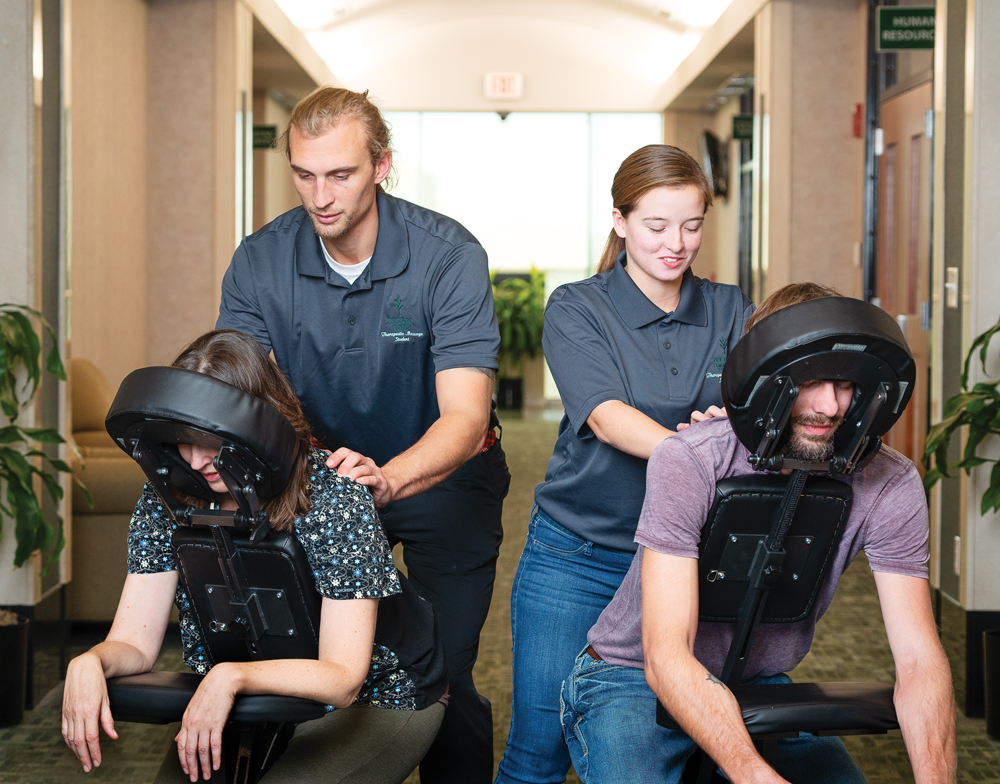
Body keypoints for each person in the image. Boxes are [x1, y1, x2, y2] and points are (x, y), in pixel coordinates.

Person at [216, 87, 509, 783]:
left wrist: (392, 477)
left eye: (340, 174)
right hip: (325, 482)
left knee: (442, 668)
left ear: (381, 166)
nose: (321, 196)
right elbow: (242, 396)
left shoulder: (447, 254)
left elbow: (465, 419)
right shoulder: (261, 260)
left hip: (443, 478)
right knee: (314, 664)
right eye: (304, 174)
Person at [559, 284, 957, 784]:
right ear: (767, 380)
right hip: (630, 677)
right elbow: (666, 656)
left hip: (755, 680)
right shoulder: (690, 459)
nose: (830, 407)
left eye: (845, 385)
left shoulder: (890, 481)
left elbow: (919, 659)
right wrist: (753, 774)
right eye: (812, 382)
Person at [62, 330, 449, 784]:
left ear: (259, 427)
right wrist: (91, 661)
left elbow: (343, 678)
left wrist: (232, 677)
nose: (196, 458)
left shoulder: (334, 495)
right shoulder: (168, 496)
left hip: (380, 695)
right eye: (183, 438)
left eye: (212, 439)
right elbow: (135, 644)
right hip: (248, 690)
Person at [495, 145, 754, 784]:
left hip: (686, 559)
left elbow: (754, 419)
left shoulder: (730, 308)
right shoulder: (578, 306)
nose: (676, 244)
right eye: (656, 226)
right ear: (619, 221)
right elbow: (607, 417)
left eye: (692, 226)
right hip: (580, 553)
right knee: (538, 751)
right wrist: (696, 446)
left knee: (687, 734)